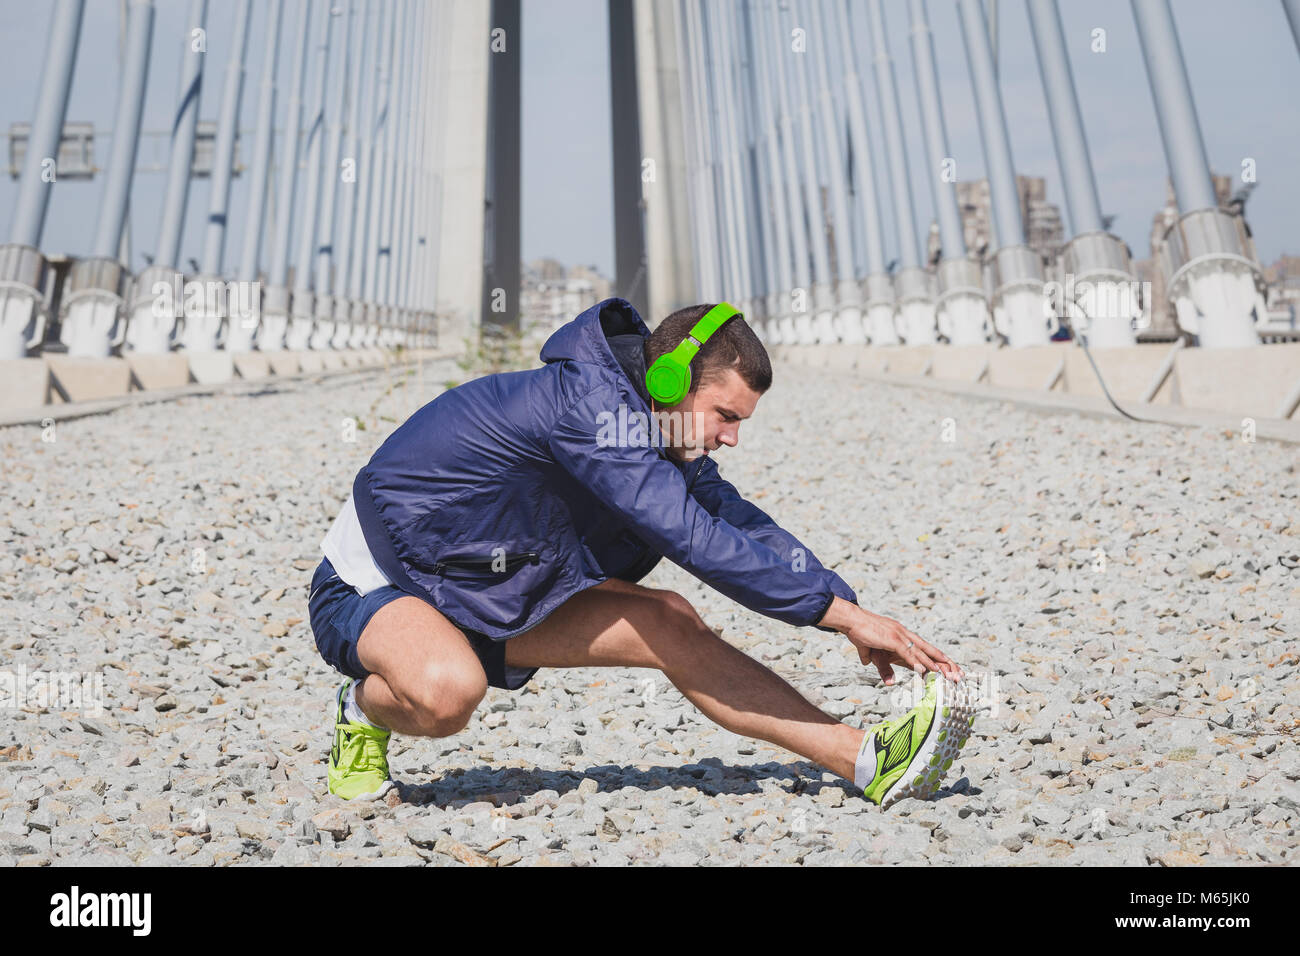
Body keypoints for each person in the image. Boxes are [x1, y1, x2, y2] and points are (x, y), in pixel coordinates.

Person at [307, 297, 974, 809]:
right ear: (668, 376)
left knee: (668, 621)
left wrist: (846, 606)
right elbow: (692, 538)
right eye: (726, 415)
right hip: (381, 580)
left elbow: (736, 521)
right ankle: (361, 711)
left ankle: (867, 760)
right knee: (449, 693)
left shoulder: (657, 427)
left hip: (482, 587)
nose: (732, 437)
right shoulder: (592, 413)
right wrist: (834, 617)